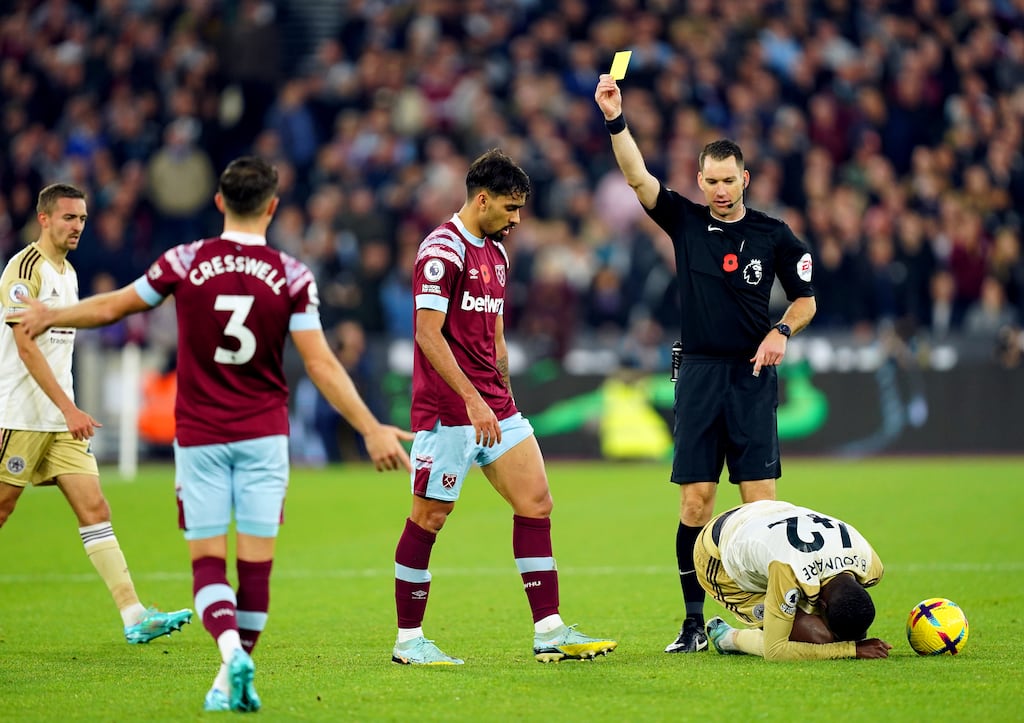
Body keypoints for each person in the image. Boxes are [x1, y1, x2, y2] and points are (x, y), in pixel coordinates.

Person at [12, 159, 414, 712]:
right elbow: (320, 363)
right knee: (255, 566)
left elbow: (115, 306)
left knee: (207, 562)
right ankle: (233, 668)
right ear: (273, 207)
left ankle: (228, 655)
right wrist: (370, 428)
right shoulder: (294, 275)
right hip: (265, 437)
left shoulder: (184, 260)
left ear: (220, 202)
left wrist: (49, 315)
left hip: (200, 435)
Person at [595, 75, 817, 653]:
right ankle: (694, 622)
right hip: (696, 374)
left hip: (750, 376)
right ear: (700, 180)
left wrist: (781, 331)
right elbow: (636, 177)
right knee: (696, 501)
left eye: (728, 180)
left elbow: (807, 299)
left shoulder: (774, 235)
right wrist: (616, 119)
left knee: (761, 506)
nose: (719, 190)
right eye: (710, 181)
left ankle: (777, 618)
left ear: (745, 178)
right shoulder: (686, 221)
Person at [391, 148, 617, 665]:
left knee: (536, 501)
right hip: (450, 410)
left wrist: (503, 394)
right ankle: (408, 641)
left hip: (495, 404)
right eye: (511, 209)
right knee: (429, 518)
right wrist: (471, 399)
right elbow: (427, 334)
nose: (517, 220)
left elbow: (493, 333)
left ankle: (550, 630)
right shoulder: (441, 251)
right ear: (483, 199)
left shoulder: (498, 253)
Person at [0, 183, 193, 645]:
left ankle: (133, 614)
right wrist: (69, 408)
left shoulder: (68, 273)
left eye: (83, 219)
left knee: (95, 508)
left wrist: (67, 408)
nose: (78, 227)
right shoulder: (25, 269)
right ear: (44, 218)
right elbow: (25, 347)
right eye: (69, 218)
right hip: (22, 415)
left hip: (61, 418)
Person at [694, 499, 892, 661]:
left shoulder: (869, 562)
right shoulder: (788, 569)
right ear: (820, 605)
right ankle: (727, 638)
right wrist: (850, 649)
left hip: (764, 515)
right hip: (718, 550)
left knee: (823, 624)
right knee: (819, 638)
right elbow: (775, 651)